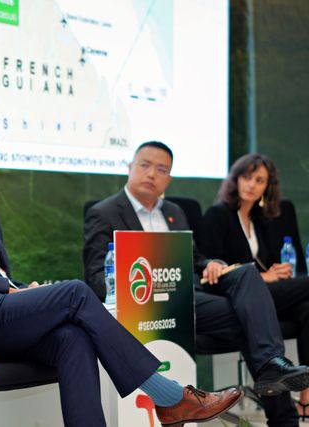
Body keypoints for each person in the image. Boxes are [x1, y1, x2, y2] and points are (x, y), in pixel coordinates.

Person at [0, 129, 242, 427]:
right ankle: (168, 396)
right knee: (74, 292)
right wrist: (8, 289)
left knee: (72, 337)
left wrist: (19, 288)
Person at [84, 141, 309, 426]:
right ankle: (283, 412)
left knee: (246, 274)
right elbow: (96, 278)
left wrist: (212, 264)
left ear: (168, 179)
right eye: (145, 165)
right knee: (250, 315)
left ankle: (271, 367)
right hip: (148, 303)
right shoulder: (104, 213)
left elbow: (196, 259)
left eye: (161, 169)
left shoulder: (175, 212)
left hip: (190, 294)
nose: (152, 173)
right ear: (130, 168)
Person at [199, 153, 309, 420]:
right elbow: (208, 268)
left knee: (307, 307)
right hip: (230, 295)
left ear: (267, 187)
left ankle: (305, 395)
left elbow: (267, 264)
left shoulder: (261, 220)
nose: (251, 184)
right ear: (235, 179)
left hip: (264, 295)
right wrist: (263, 277)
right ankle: (278, 372)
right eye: (247, 177)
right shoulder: (217, 214)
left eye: (259, 180)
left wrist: (276, 272)